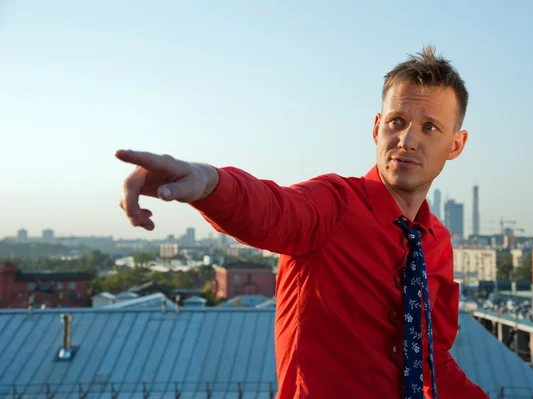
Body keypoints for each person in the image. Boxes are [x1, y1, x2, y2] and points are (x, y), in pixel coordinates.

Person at [117, 45, 488, 399]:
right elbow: (272, 209)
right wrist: (207, 182)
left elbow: (430, 360)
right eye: (397, 121)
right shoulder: (333, 204)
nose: (406, 140)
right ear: (377, 128)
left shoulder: (435, 241)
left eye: (430, 128)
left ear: (456, 145)